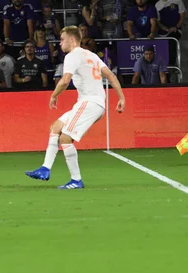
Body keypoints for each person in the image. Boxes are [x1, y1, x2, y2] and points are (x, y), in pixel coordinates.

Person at [25, 25, 125, 189]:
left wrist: (54, 95)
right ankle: (45, 169)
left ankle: (76, 180)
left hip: (90, 102)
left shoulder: (72, 55)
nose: (60, 43)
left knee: (65, 138)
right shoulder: (91, 55)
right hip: (93, 102)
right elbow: (111, 76)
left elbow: (65, 81)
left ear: (72, 40)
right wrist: (121, 97)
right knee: (56, 127)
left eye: (62, 39)